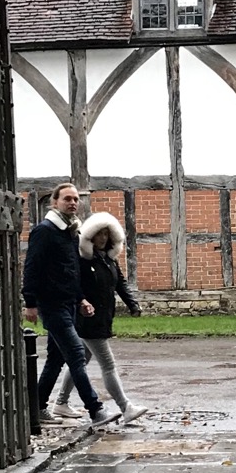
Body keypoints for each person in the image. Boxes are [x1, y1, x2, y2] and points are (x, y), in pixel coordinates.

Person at [22, 182, 120, 427]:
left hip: (68, 303)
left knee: (56, 358)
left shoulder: (71, 232)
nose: (73, 203)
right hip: (51, 303)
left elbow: (72, 271)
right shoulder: (44, 231)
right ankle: (96, 410)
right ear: (54, 202)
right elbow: (32, 267)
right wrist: (30, 302)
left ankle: (36, 408)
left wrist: (80, 299)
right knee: (76, 353)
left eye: (76, 199)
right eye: (67, 199)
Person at [47, 211, 148, 424]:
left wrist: (132, 304)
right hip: (88, 319)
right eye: (99, 234)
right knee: (108, 364)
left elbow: (120, 283)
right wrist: (82, 302)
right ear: (90, 236)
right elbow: (74, 285)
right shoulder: (83, 260)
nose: (102, 238)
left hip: (103, 317)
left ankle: (61, 403)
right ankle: (126, 407)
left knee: (80, 360)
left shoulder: (108, 260)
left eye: (106, 234)